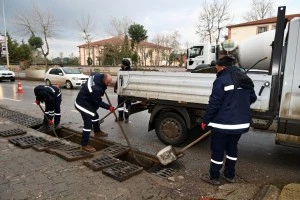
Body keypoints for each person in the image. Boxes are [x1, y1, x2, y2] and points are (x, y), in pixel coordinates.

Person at [201, 55, 257, 185]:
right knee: (232, 148)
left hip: (223, 124)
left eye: (217, 67)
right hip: (239, 124)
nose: (216, 70)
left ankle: (214, 177)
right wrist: (238, 104)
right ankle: (229, 175)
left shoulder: (221, 80)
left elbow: (214, 103)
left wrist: (205, 120)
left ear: (222, 67)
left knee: (218, 150)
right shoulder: (244, 78)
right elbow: (252, 98)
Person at [75, 73, 114, 152]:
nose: (109, 85)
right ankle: (84, 144)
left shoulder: (97, 76)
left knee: (95, 116)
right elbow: (98, 102)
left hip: (88, 100)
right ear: (104, 80)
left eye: (110, 82)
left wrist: (104, 86)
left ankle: (97, 131)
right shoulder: (96, 89)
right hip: (82, 103)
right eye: (107, 83)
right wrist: (109, 107)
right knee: (88, 124)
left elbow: (92, 74)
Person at [114, 59, 132, 123]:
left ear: (124, 65)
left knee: (127, 106)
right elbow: (118, 80)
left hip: (127, 92)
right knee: (120, 106)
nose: (120, 65)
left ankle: (126, 117)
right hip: (120, 91)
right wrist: (115, 87)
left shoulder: (130, 72)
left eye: (121, 64)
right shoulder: (120, 71)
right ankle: (121, 117)